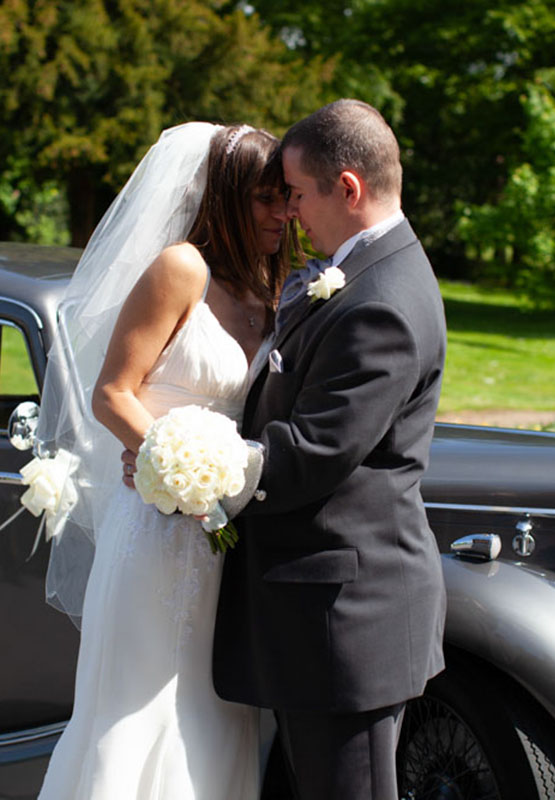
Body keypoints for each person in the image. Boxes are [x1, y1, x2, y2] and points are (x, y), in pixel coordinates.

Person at [36, 121, 292, 800]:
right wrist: (169, 460)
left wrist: (221, 481)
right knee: (141, 705)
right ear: (228, 198)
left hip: (228, 532)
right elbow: (112, 392)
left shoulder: (269, 281)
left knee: (217, 712)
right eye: (266, 199)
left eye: (285, 197)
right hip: (156, 523)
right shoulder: (181, 268)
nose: (281, 214)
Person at [213, 99, 447, 800]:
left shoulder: (382, 300)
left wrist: (192, 468)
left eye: (297, 194)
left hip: (345, 620)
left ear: (347, 188)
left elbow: (315, 450)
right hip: (319, 616)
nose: (288, 213)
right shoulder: (366, 272)